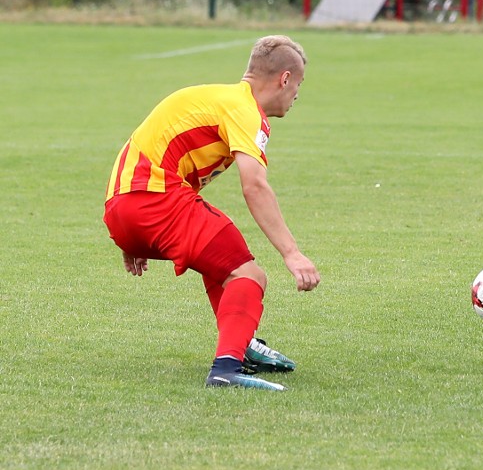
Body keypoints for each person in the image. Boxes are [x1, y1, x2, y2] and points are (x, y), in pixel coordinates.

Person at [103, 35, 321, 392]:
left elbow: (144, 144)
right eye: (298, 84)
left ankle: (242, 344)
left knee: (220, 263)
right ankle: (226, 368)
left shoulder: (216, 97)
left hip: (121, 206)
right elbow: (254, 185)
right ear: (284, 79)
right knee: (248, 274)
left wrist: (132, 234)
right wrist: (292, 253)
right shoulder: (244, 110)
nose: (297, 94)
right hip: (153, 201)